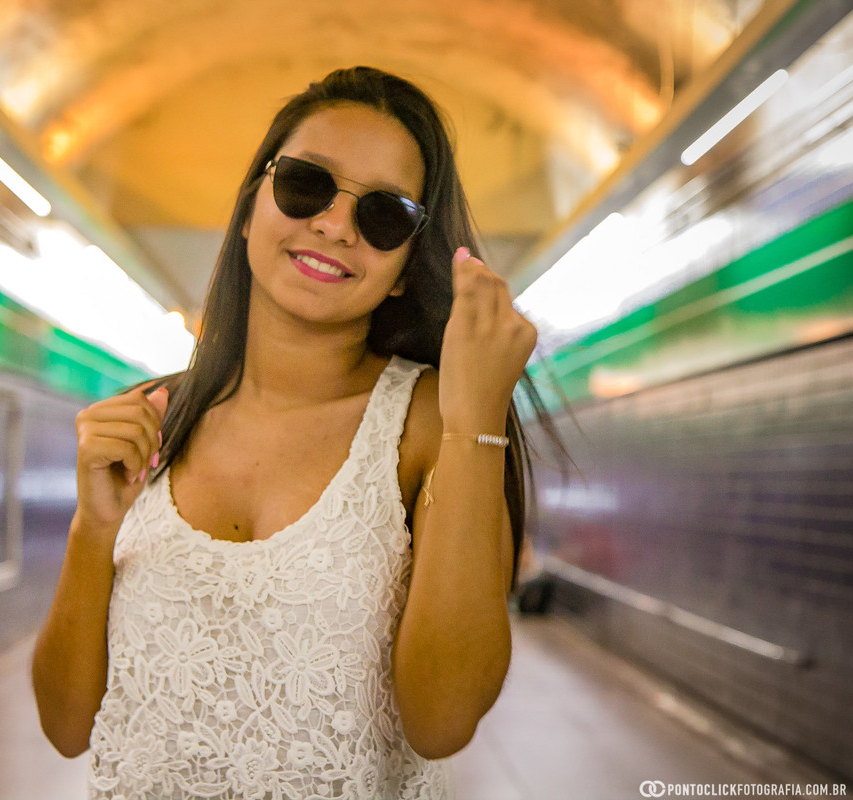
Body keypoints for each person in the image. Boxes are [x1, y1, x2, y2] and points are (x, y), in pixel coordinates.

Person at [32, 65, 551, 799]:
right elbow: (66, 727)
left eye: (385, 216)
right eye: (307, 184)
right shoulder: (149, 420)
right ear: (251, 208)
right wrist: (93, 530)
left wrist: (477, 419)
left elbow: (443, 720)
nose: (335, 225)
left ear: (407, 267)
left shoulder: (429, 422)